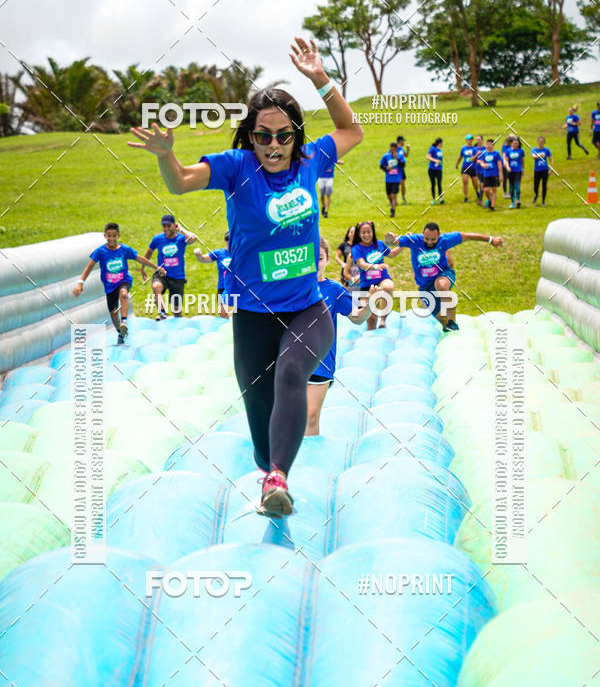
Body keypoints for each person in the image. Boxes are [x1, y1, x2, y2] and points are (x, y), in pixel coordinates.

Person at [128, 35, 363, 518]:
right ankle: (269, 465)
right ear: (249, 136)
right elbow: (181, 181)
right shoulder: (236, 168)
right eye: (262, 136)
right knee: (260, 428)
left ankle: (277, 481)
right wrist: (164, 157)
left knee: (295, 372)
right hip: (253, 316)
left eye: (283, 135)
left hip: (307, 306)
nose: (273, 145)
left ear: (296, 134)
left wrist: (320, 78)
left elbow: (352, 130)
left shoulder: (312, 159)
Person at [305, 237, 373, 435]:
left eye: (320, 258)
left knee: (310, 416)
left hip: (321, 361)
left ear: (327, 260)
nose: (315, 263)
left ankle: (311, 461)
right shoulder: (293, 288)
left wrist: (370, 304)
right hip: (292, 360)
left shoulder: (334, 289)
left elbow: (358, 319)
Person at [385, 222, 503, 332]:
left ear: (439, 236)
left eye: (433, 239)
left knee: (441, 285)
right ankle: (449, 324)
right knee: (444, 323)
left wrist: (491, 240)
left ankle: (453, 320)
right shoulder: (415, 240)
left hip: (444, 275)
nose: (430, 242)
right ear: (422, 234)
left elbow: (467, 236)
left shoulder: (445, 240)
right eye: (427, 239)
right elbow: (393, 242)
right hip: (425, 286)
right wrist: (390, 240)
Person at [73, 222, 164, 344]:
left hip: (123, 281)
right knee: (113, 313)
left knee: (124, 294)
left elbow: (140, 258)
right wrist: (80, 282)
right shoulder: (100, 251)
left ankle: (124, 322)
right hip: (109, 286)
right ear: (105, 236)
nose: (111, 238)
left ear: (118, 236)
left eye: (114, 236)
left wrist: (156, 267)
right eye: (109, 236)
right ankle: (120, 332)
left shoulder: (124, 249)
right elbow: (89, 267)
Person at [141, 214, 196, 320]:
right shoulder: (157, 239)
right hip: (162, 273)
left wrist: (180, 229)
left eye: (168, 226)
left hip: (178, 277)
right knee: (156, 287)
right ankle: (162, 314)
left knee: (177, 311)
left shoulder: (180, 239)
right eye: (164, 226)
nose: (166, 228)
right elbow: (148, 253)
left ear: (174, 225)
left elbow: (193, 239)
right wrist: (143, 268)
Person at [350, 220, 402, 330]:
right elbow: (362, 264)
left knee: (388, 287)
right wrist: (375, 266)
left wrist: (405, 244)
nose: (366, 235)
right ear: (359, 234)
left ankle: (383, 320)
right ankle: (371, 333)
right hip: (367, 285)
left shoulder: (379, 244)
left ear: (372, 232)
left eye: (368, 232)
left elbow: (392, 254)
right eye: (363, 232)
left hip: (382, 279)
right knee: (371, 319)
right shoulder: (356, 248)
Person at [194, 232, 233, 319]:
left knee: (241, 313)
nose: (228, 241)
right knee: (222, 314)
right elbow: (203, 259)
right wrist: (198, 255)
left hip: (236, 286)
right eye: (227, 239)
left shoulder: (238, 253)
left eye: (230, 239)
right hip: (222, 286)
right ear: (224, 240)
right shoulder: (219, 253)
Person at [477, 139, 503, 210]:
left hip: (494, 174)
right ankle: (490, 200)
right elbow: (481, 162)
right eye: (487, 144)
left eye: (489, 144)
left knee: (494, 190)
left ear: (493, 145)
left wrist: (501, 174)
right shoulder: (484, 153)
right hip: (486, 174)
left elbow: (499, 164)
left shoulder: (496, 153)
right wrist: (483, 165)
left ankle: (492, 206)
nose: (488, 145)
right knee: (486, 190)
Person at [456, 134, 480, 202]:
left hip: (473, 167)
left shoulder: (475, 148)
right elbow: (460, 157)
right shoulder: (464, 148)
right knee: (465, 181)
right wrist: (457, 164)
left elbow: (477, 158)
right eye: (469, 139)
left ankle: (477, 192)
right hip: (465, 167)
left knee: (475, 183)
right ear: (466, 140)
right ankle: (466, 197)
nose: (470, 140)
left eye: (471, 139)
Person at [380, 141, 401, 216]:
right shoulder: (386, 156)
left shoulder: (399, 155)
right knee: (389, 195)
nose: (393, 150)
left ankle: (393, 210)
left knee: (394, 195)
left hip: (396, 179)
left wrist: (397, 158)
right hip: (388, 179)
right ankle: (392, 204)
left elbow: (403, 165)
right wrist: (386, 168)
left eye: (394, 149)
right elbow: (381, 166)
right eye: (392, 149)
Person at [532, 136, 554, 205]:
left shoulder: (546, 150)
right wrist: (540, 155)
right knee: (536, 186)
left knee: (544, 186)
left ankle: (543, 201)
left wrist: (551, 169)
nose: (540, 143)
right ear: (537, 142)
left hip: (545, 170)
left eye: (542, 142)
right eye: (539, 141)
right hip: (537, 170)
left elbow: (551, 159)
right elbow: (533, 157)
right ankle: (536, 195)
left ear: (544, 142)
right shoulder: (534, 150)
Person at [504, 137, 525, 209]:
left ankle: (518, 200)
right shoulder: (508, 151)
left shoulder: (521, 151)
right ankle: (513, 202)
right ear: (511, 144)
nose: (516, 144)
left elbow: (522, 161)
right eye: (514, 143)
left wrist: (522, 169)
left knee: (517, 186)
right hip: (510, 171)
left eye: (517, 143)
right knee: (511, 187)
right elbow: (506, 161)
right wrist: (507, 167)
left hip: (518, 171)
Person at [427, 137, 444, 204]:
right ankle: (433, 199)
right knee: (433, 184)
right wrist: (435, 160)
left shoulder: (440, 150)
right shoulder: (432, 149)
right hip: (432, 169)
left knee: (439, 183)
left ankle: (440, 198)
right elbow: (428, 157)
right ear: (440, 143)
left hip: (439, 169)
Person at [396, 134, 409, 203]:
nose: (404, 142)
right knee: (397, 184)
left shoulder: (401, 148)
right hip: (397, 168)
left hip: (402, 168)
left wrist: (408, 149)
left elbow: (406, 155)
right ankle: (394, 199)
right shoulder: (395, 148)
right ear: (400, 141)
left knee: (403, 183)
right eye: (403, 141)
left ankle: (403, 198)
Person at [474, 134, 485, 202]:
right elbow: (472, 159)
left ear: (482, 140)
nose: (479, 141)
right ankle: (484, 198)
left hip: (485, 169)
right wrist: (476, 155)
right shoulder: (474, 149)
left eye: (480, 140)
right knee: (481, 184)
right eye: (477, 140)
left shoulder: (485, 149)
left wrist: (481, 161)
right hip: (478, 169)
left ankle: (481, 199)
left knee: (482, 184)